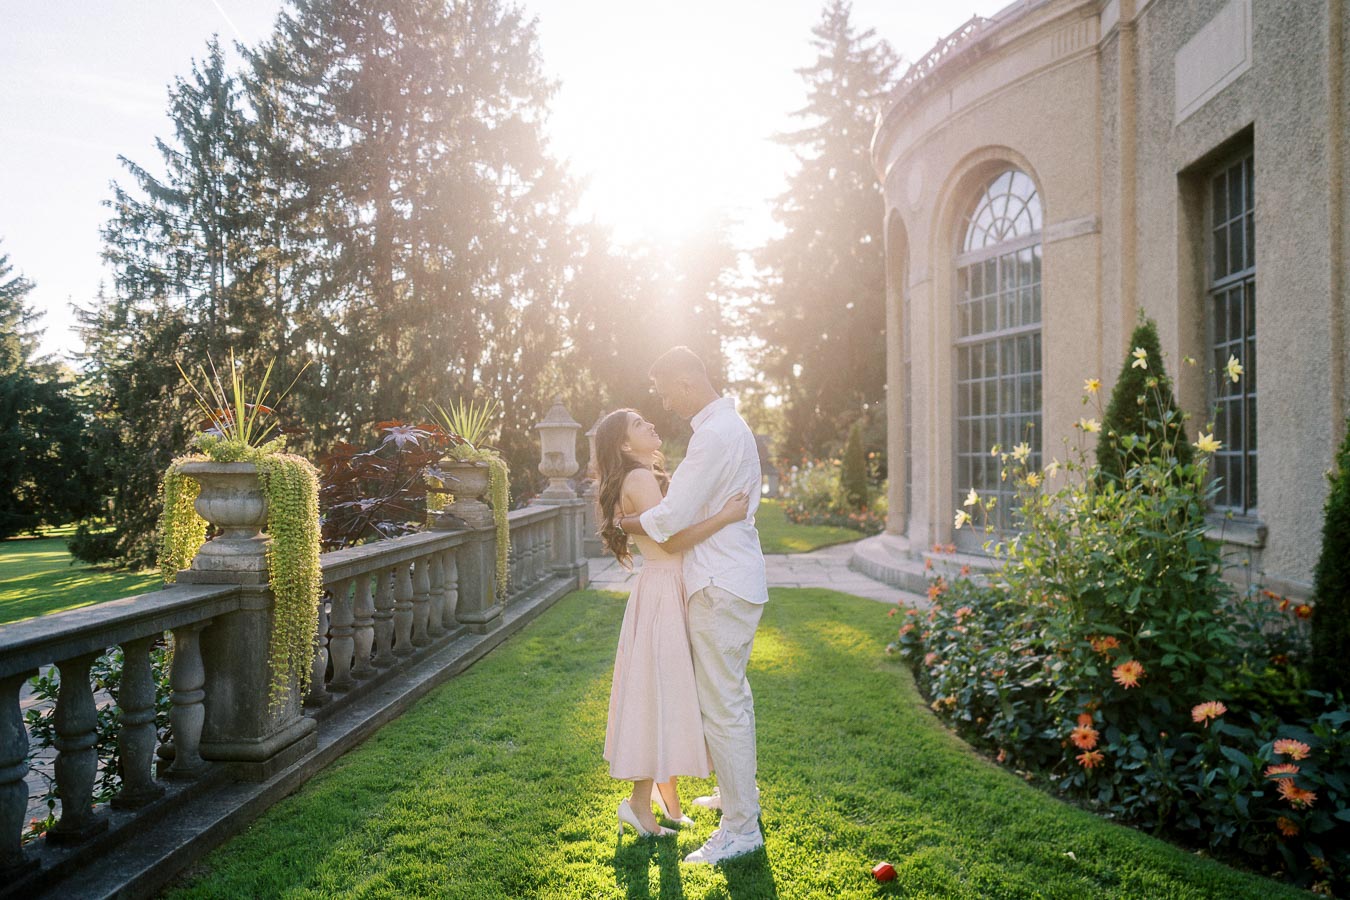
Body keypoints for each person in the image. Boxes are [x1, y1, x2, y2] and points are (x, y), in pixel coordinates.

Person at [616, 346, 769, 865]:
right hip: (735, 578)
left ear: (684, 383)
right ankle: (736, 797)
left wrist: (629, 524)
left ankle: (741, 829)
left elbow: (673, 520)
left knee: (724, 706)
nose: (663, 402)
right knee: (733, 700)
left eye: (664, 391)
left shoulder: (712, 436)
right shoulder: (731, 428)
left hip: (720, 583)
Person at [596, 407, 751, 840]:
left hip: (664, 587)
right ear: (625, 445)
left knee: (662, 694)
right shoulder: (640, 479)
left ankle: (663, 803)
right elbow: (671, 538)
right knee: (663, 694)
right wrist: (725, 516)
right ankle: (639, 804)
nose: (650, 425)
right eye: (638, 425)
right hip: (666, 589)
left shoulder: (643, 476)